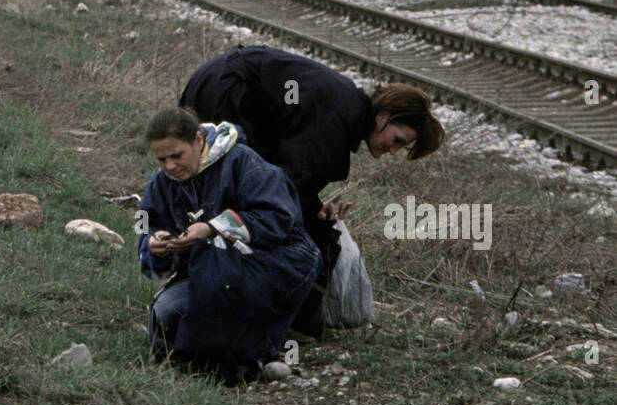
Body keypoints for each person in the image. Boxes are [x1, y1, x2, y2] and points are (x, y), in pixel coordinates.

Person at [180, 46, 445, 335]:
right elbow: (286, 188)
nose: (392, 151)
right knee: (263, 213)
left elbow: (287, 178)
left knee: (247, 202)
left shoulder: (344, 110)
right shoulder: (335, 118)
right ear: (383, 117)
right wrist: (310, 215)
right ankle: (241, 312)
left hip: (221, 82)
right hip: (226, 91)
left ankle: (219, 299)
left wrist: (310, 206)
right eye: (397, 139)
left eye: (401, 148)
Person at [137, 107, 321, 385]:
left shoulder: (244, 162)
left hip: (277, 260)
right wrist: (153, 243)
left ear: (198, 140)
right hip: (212, 271)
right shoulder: (163, 183)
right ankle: (210, 353)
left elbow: (277, 218)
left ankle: (252, 352)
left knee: (231, 303)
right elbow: (146, 223)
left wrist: (213, 228)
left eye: (177, 156)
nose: (170, 167)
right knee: (168, 312)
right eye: (162, 159)